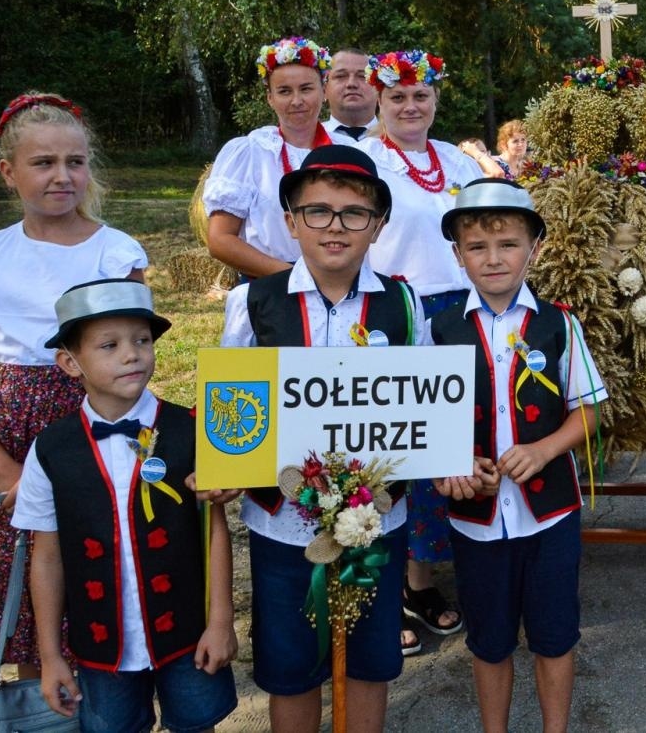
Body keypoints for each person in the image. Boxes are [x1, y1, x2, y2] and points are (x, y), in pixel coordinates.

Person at [0, 93, 149, 679]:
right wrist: (1, 468)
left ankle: (112, 700)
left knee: (103, 568)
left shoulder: (115, 251)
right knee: (30, 577)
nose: (62, 176)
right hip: (8, 432)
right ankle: (42, 698)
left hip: (96, 421)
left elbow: (136, 360)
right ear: (8, 171)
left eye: (75, 162)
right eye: (43, 162)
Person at [221, 144, 429, 733]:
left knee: (368, 660)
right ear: (291, 221)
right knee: (291, 664)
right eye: (317, 211)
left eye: (353, 213)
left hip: (376, 521)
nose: (335, 227)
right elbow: (233, 410)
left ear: (377, 225)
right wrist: (228, 465)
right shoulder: (252, 303)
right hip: (283, 523)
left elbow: (422, 402)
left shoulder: (403, 301)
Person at [15, 279, 236, 732]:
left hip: (187, 635)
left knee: (197, 724)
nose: (132, 354)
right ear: (69, 363)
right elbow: (47, 555)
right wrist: (50, 655)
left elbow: (215, 530)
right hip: (100, 646)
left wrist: (220, 622)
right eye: (109, 345)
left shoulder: (191, 431)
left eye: (142, 340)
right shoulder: (51, 449)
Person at [431, 178, 607, 733]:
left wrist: (545, 448)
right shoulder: (437, 330)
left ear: (534, 247)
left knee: (555, 635)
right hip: (477, 521)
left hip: (549, 514)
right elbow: (425, 422)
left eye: (508, 244)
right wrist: (449, 465)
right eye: (477, 247)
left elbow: (591, 410)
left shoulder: (559, 324)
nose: (493, 258)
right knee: (489, 639)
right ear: (457, 254)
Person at [358, 49, 481, 651]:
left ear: (435, 102)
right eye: (398, 96)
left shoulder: (457, 161)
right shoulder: (362, 161)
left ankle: (427, 579)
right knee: (395, 452)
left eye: (421, 96)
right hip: (393, 314)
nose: (410, 106)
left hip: (458, 313)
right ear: (379, 101)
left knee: (451, 448)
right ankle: (385, 587)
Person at [204, 36, 333, 277]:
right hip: (271, 284)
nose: (297, 101)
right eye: (284, 91)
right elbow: (220, 239)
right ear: (270, 97)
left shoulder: (347, 150)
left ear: (324, 90)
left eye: (306, 89)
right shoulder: (251, 153)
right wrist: (293, 277)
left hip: (338, 285)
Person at [323, 47, 378, 143]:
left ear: (378, 88)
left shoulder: (402, 138)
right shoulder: (307, 139)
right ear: (324, 89)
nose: (351, 84)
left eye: (363, 76)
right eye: (340, 76)